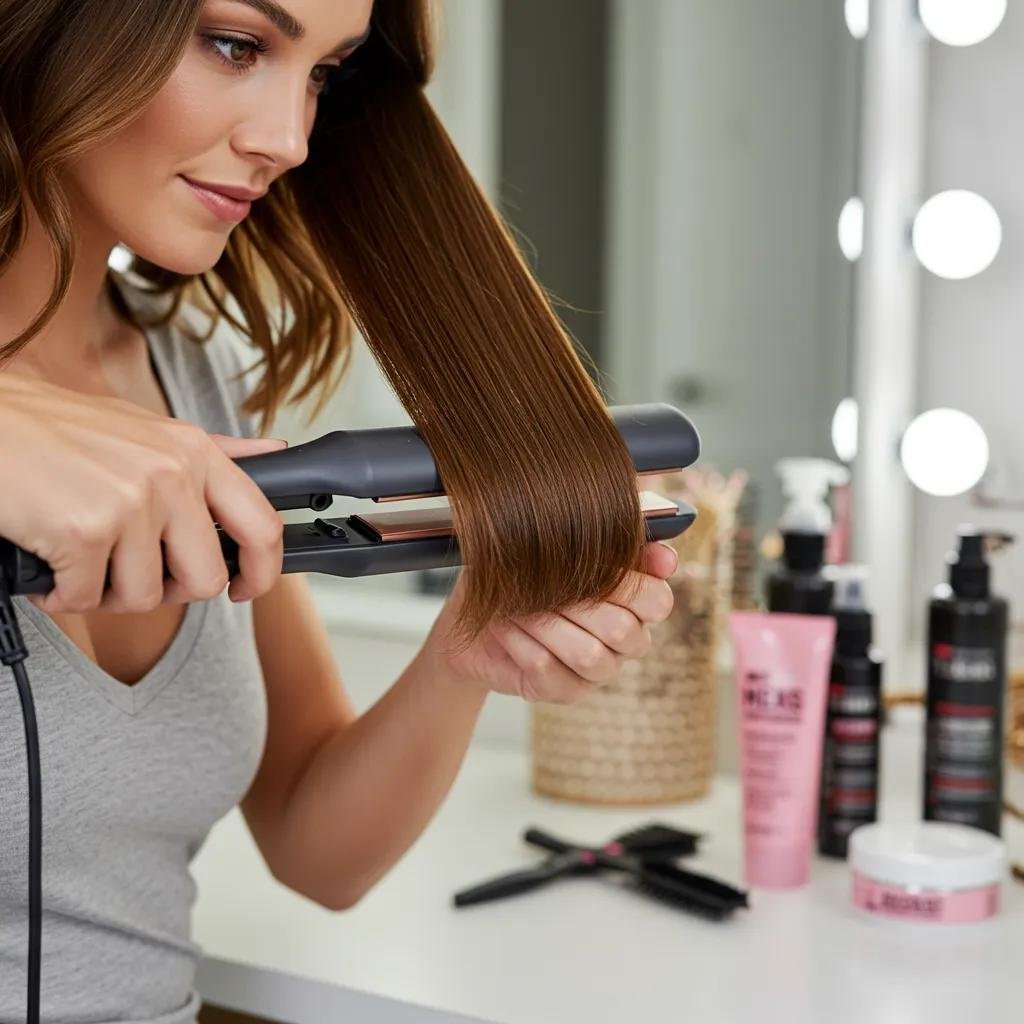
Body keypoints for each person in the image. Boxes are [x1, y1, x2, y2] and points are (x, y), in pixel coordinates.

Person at [0, 1, 678, 1021]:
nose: (290, 139)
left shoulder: (199, 386)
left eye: (323, 75)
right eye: (236, 45)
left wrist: (464, 654)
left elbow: (317, 851)